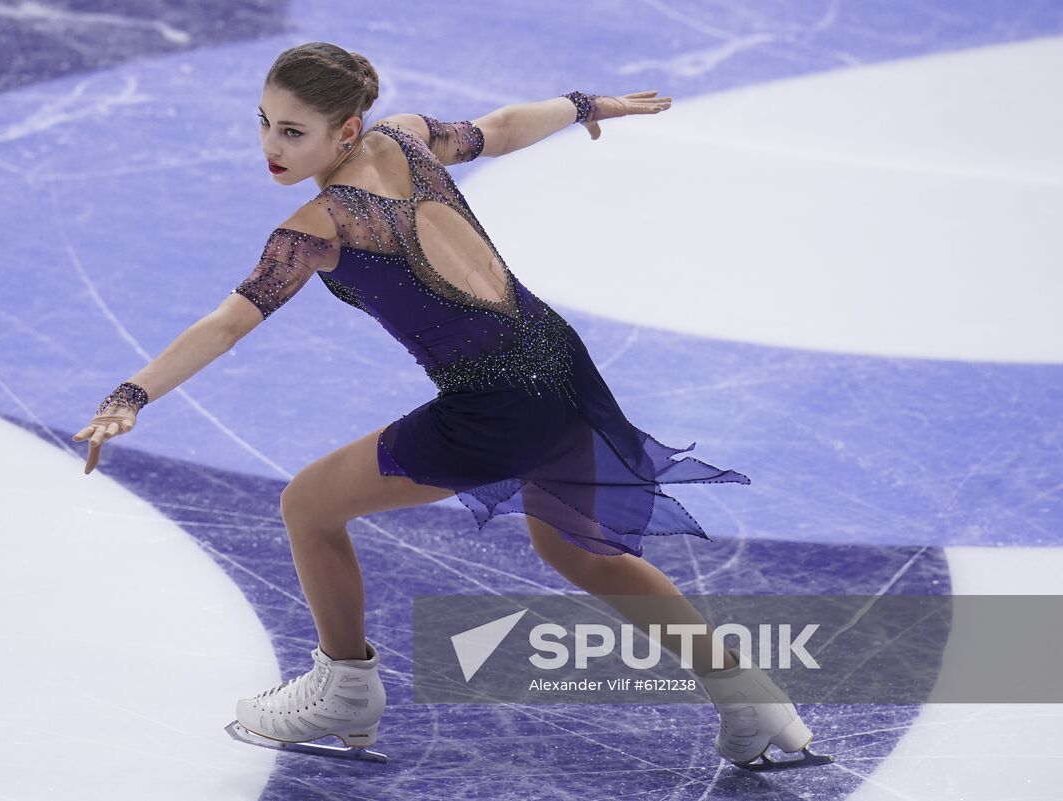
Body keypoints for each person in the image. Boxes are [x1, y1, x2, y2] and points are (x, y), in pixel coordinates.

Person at [72, 42, 831, 771]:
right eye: (264, 123)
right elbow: (499, 129)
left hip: (498, 403)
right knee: (574, 549)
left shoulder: (319, 227)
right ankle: (753, 697)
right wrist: (581, 105)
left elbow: (230, 322)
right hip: (559, 363)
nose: (271, 145)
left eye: (293, 131)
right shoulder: (408, 137)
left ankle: (343, 689)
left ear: (345, 129)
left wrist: (131, 394)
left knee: (309, 505)